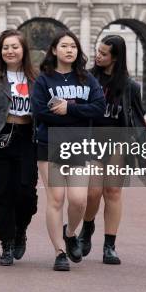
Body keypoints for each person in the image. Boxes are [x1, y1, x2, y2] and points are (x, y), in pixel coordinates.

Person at [32, 30, 106, 271]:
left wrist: (70, 111)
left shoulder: (87, 79)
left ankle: (70, 232)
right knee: (56, 199)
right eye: (64, 46)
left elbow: (98, 108)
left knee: (78, 200)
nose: (69, 50)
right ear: (54, 50)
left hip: (78, 145)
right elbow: (40, 112)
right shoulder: (44, 80)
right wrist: (70, 116)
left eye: (73, 46)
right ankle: (59, 252)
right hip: (50, 144)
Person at [80, 35, 146, 265]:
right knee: (92, 193)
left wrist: (145, 150)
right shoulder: (87, 80)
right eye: (97, 51)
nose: (98, 56)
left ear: (116, 57)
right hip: (92, 141)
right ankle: (87, 229)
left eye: (104, 53)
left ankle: (109, 245)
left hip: (118, 142)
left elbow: (138, 121)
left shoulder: (130, 87)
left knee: (113, 193)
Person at [0, 29, 38, 267]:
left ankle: (20, 229)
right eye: (5, 47)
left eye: (15, 46)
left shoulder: (36, 77)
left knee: (26, 194)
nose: (10, 51)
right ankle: (6, 243)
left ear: (24, 50)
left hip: (27, 139)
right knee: (0, 194)